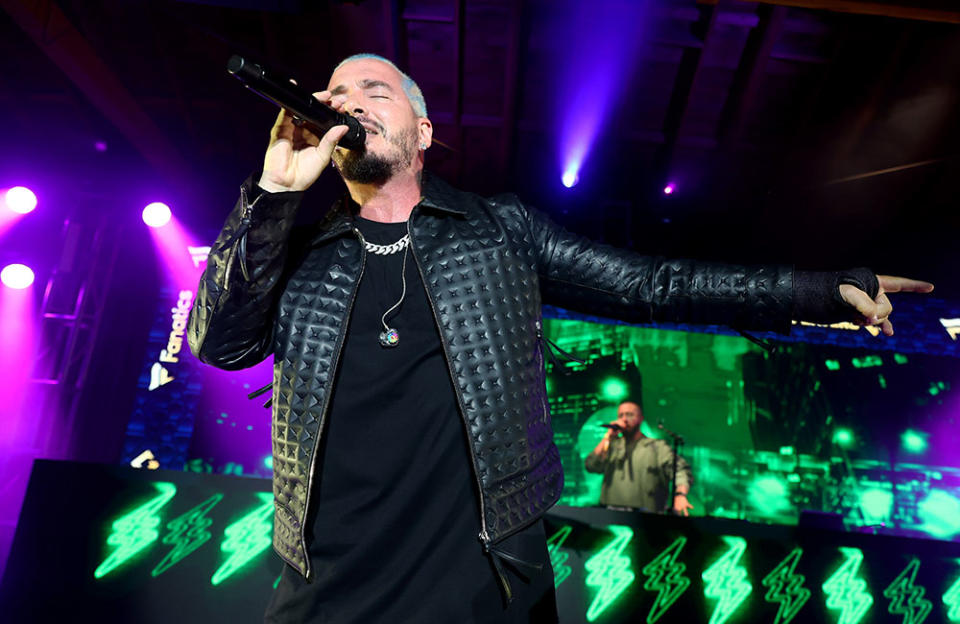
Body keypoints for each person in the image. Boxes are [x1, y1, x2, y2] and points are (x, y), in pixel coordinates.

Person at [187, 52, 933, 623]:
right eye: (337, 96)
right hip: (324, 597)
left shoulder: (500, 229)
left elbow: (655, 284)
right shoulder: (295, 252)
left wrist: (813, 291)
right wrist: (274, 195)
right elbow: (220, 344)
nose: (349, 102)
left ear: (424, 131)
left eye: (373, 90)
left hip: (484, 590)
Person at [584, 400, 694, 515]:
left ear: (640, 419)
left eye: (629, 415)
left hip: (645, 516)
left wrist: (680, 495)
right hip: (611, 513)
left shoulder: (657, 447)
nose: (624, 419)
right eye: (621, 415)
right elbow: (591, 465)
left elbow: (681, 470)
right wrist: (608, 436)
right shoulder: (611, 446)